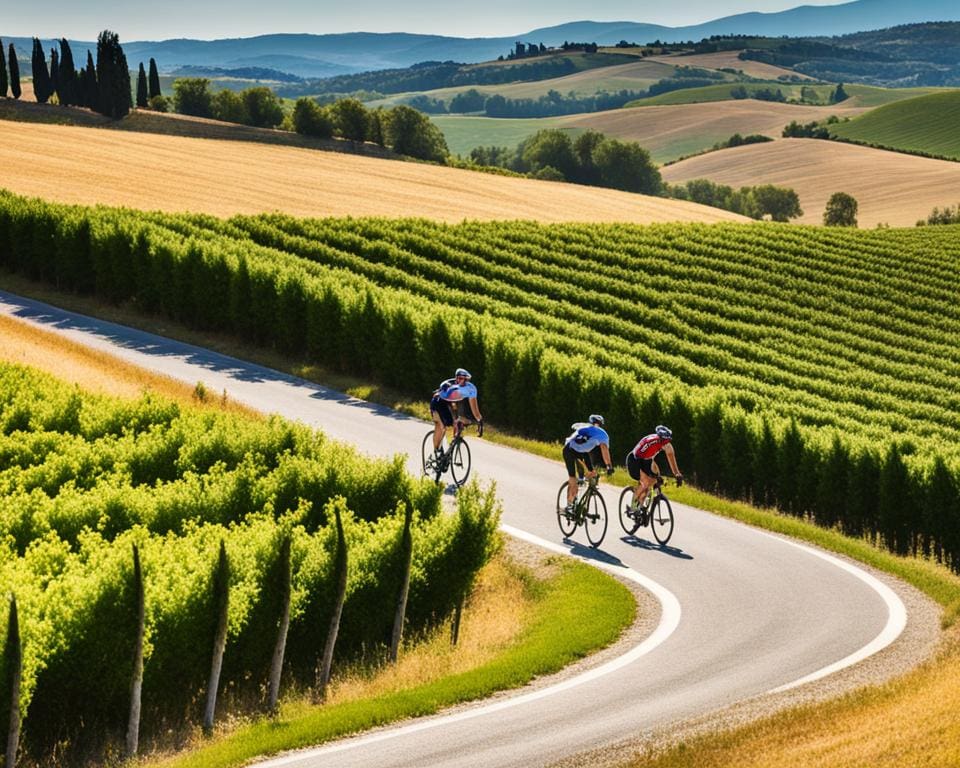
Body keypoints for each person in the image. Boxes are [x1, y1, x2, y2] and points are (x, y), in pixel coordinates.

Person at [562, 414, 613, 514]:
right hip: (570, 450)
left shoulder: (590, 429)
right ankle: (569, 505)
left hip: (582, 451)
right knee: (573, 478)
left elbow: (602, 449)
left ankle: (586, 484)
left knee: (592, 472)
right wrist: (609, 466)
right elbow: (604, 449)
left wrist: (607, 466)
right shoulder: (601, 433)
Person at [626, 425, 684, 512]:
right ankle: (633, 507)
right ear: (659, 438)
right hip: (635, 460)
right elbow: (640, 460)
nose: (665, 443)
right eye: (663, 441)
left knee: (653, 482)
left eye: (667, 441)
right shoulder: (650, 442)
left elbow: (671, 461)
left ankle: (641, 507)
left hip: (647, 459)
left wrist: (677, 474)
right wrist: (648, 477)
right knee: (645, 483)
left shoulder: (667, 446)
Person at [430, 367, 483, 455]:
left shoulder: (470, 389)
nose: (458, 380)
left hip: (450, 404)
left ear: (466, 380)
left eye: (461, 378)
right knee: (441, 426)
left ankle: (449, 452)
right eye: (457, 378)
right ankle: (436, 451)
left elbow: (474, 409)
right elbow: (453, 406)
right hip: (438, 404)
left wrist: (480, 421)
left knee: (456, 423)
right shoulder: (452, 389)